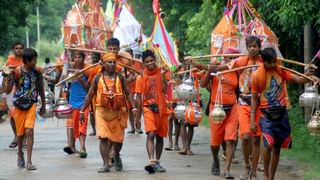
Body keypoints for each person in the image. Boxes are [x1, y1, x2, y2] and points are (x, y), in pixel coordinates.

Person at [251, 47, 319, 180]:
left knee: (277, 147)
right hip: (266, 114)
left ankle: (272, 176)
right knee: (268, 144)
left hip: (281, 113)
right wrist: (252, 119)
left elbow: (297, 79)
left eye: (274, 61)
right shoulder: (257, 75)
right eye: (270, 62)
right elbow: (254, 98)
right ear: (263, 61)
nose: (272, 64)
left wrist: (307, 76)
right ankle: (265, 174)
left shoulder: (280, 70)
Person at [80, 52, 137, 172]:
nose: (112, 64)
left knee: (118, 140)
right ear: (103, 64)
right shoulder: (97, 77)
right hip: (101, 111)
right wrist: (82, 111)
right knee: (103, 138)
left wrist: (134, 108)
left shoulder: (120, 77)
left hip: (118, 112)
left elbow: (128, 92)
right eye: (109, 62)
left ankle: (116, 155)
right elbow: (90, 94)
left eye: (114, 62)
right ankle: (105, 164)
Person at [2, 48, 45, 170]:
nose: (35, 63)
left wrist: (44, 104)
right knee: (20, 134)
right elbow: (8, 88)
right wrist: (8, 77)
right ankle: (20, 152)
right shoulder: (17, 72)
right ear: (26, 61)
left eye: (36, 60)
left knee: (29, 131)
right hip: (19, 105)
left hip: (31, 103)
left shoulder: (37, 72)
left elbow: (40, 88)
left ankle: (29, 161)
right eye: (33, 60)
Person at [200, 47, 240, 178]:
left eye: (234, 58)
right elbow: (202, 84)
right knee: (215, 142)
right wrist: (209, 72)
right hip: (216, 108)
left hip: (233, 108)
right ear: (224, 58)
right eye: (229, 57)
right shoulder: (216, 69)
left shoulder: (238, 71)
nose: (231, 60)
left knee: (230, 140)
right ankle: (216, 160)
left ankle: (227, 169)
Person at [136, 50, 170, 173]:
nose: (150, 63)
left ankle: (157, 161)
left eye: (151, 61)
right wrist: (137, 116)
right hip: (148, 108)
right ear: (143, 63)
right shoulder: (140, 77)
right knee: (151, 133)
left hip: (161, 109)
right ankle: (151, 160)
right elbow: (139, 97)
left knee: (160, 136)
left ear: (155, 60)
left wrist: (165, 78)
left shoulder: (161, 73)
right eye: (147, 62)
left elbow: (165, 90)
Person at [65, 51, 90, 158]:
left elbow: (88, 88)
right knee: (72, 124)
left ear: (83, 59)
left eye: (80, 57)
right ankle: (72, 146)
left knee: (82, 124)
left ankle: (82, 147)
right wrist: (69, 70)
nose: (77, 59)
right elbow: (65, 80)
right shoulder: (70, 69)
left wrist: (80, 76)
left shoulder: (87, 70)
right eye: (75, 57)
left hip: (84, 102)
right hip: (72, 101)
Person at [2, 42, 24, 149]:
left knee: (23, 114)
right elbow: (4, 74)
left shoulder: (27, 59)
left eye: (20, 48)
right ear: (13, 49)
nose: (19, 50)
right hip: (12, 89)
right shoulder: (9, 60)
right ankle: (16, 136)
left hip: (25, 89)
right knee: (12, 114)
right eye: (16, 48)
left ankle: (22, 136)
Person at [87, 52, 101, 136]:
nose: (94, 59)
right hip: (92, 94)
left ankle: (100, 129)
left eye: (96, 57)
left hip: (100, 93)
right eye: (93, 57)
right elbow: (88, 82)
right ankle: (94, 129)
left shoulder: (101, 67)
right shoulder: (89, 68)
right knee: (92, 112)